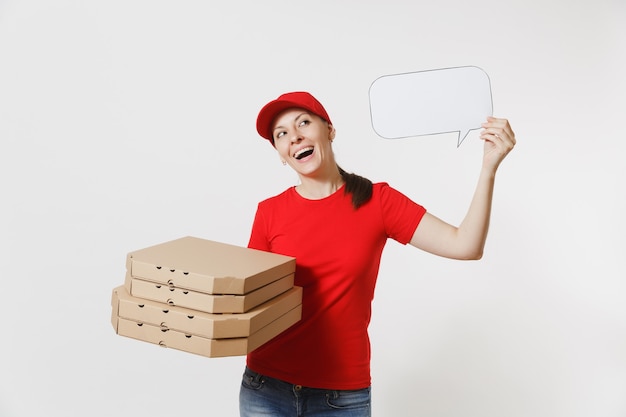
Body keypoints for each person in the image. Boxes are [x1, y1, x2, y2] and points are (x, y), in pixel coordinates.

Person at [239, 91, 516, 417]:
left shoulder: (377, 201)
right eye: (281, 133)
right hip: (266, 388)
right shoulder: (269, 212)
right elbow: (250, 300)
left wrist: (488, 168)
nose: (294, 136)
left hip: (340, 396)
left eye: (303, 122)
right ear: (281, 153)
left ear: (329, 130)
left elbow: (465, 245)